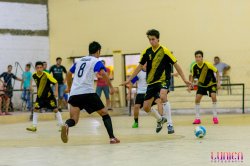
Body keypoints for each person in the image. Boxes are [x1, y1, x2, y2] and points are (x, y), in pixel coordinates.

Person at [121, 29, 191, 133]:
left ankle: (170, 124)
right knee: (146, 107)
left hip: (163, 79)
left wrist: (184, 79)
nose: (151, 41)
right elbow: (139, 67)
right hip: (151, 82)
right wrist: (129, 80)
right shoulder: (147, 52)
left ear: (158, 39)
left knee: (163, 96)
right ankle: (160, 119)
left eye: (153, 39)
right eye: (149, 39)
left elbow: (176, 65)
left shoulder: (165, 51)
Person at [61, 41, 120, 144]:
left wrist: (69, 88)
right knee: (105, 113)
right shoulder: (95, 61)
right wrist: (111, 87)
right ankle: (112, 138)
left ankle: (66, 125)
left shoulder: (79, 61)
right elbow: (103, 73)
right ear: (98, 51)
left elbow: (69, 73)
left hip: (75, 93)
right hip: (87, 92)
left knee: (74, 119)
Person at [26, 61, 63, 132]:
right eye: (37, 67)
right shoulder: (34, 75)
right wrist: (31, 86)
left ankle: (61, 125)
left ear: (43, 68)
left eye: (40, 67)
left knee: (55, 109)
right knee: (36, 109)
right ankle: (34, 126)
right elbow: (31, 79)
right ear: (36, 68)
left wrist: (56, 92)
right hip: (40, 97)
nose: (39, 69)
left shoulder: (47, 75)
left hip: (49, 97)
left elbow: (56, 82)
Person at [127, 63, 164, 130]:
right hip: (141, 92)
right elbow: (132, 83)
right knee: (136, 107)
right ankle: (136, 122)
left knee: (159, 102)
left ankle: (161, 118)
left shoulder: (152, 71)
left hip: (151, 91)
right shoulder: (139, 73)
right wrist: (129, 93)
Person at [188, 50, 221, 124]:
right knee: (197, 99)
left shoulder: (208, 64)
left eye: (199, 57)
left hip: (211, 84)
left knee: (213, 96)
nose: (198, 58)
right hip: (202, 85)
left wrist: (218, 82)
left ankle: (215, 117)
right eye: (196, 57)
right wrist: (191, 85)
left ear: (202, 58)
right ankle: (197, 118)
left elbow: (217, 71)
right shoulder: (194, 66)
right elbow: (192, 76)